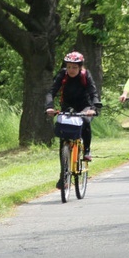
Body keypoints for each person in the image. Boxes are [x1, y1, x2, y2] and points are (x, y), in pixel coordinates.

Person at [45, 51, 101, 189]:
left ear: (80, 67)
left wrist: (93, 108)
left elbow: (93, 93)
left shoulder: (85, 75)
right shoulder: (62, 75)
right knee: (63, 138)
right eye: (69, 66)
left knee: (86, 122)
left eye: (74, 67)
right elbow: (51, 92)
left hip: (84, 106)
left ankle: (87, 150)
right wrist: (49, 107)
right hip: (67, 107)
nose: (71, 70)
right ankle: (63, 175)